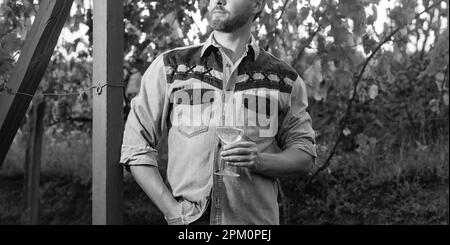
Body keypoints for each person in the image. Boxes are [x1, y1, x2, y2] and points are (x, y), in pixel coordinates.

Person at [120, 0, 317, 225]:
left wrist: (260, 161)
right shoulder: (171, 67)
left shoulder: (284, 79)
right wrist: (174, 212)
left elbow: (304, 154)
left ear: (256, 5)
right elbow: (136, 147)